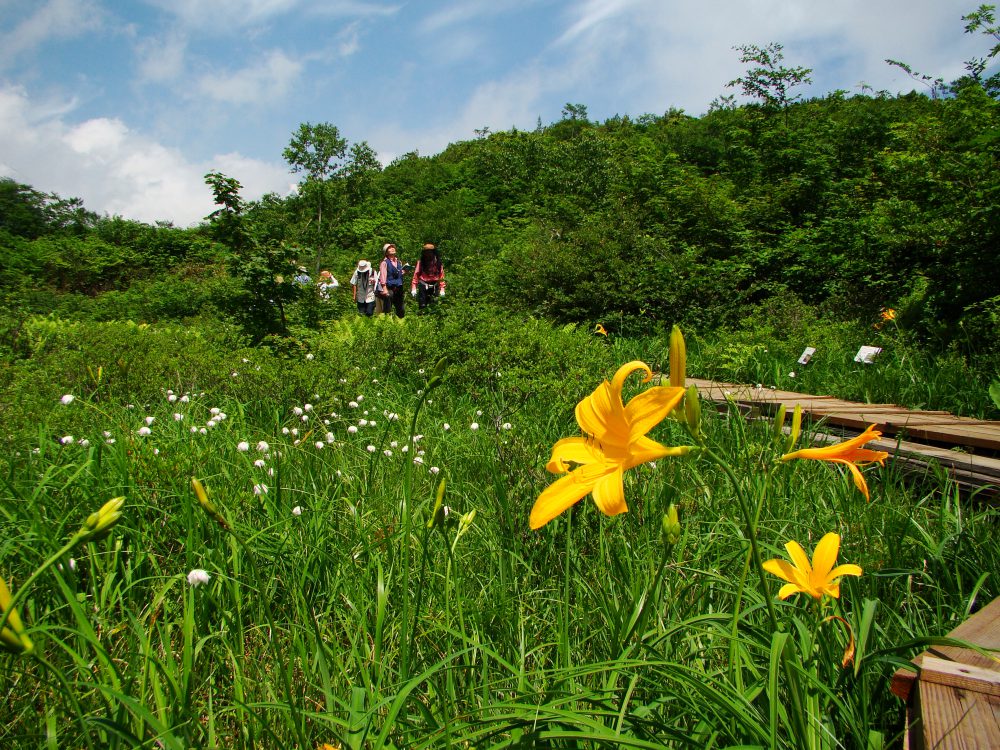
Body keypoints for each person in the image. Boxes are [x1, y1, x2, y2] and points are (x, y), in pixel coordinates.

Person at [410, 243, 446, 310]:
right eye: (427, 252)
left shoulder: (438, 262)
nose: (428, 254)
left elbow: (441, 276)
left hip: (435, 285)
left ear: (433, 252)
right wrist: (414, 287)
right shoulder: (421, 262)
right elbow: (416, 274)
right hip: (423, 285)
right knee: (422, 305)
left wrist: (442, 289)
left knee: (435, 305)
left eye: (430, 252)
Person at [378, 243, 407, 318]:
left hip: (399, 288)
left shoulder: (399, 262)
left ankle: (400, 324)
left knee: (401, 309)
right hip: (389, 288)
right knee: (388, 309)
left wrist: (403, 272)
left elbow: (397, 274)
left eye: (393, 247)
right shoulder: (384, 263)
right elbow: (383, 276)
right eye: (390, 248)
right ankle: (387, 324)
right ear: (386, 252)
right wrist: (384, 289)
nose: (392, 248)